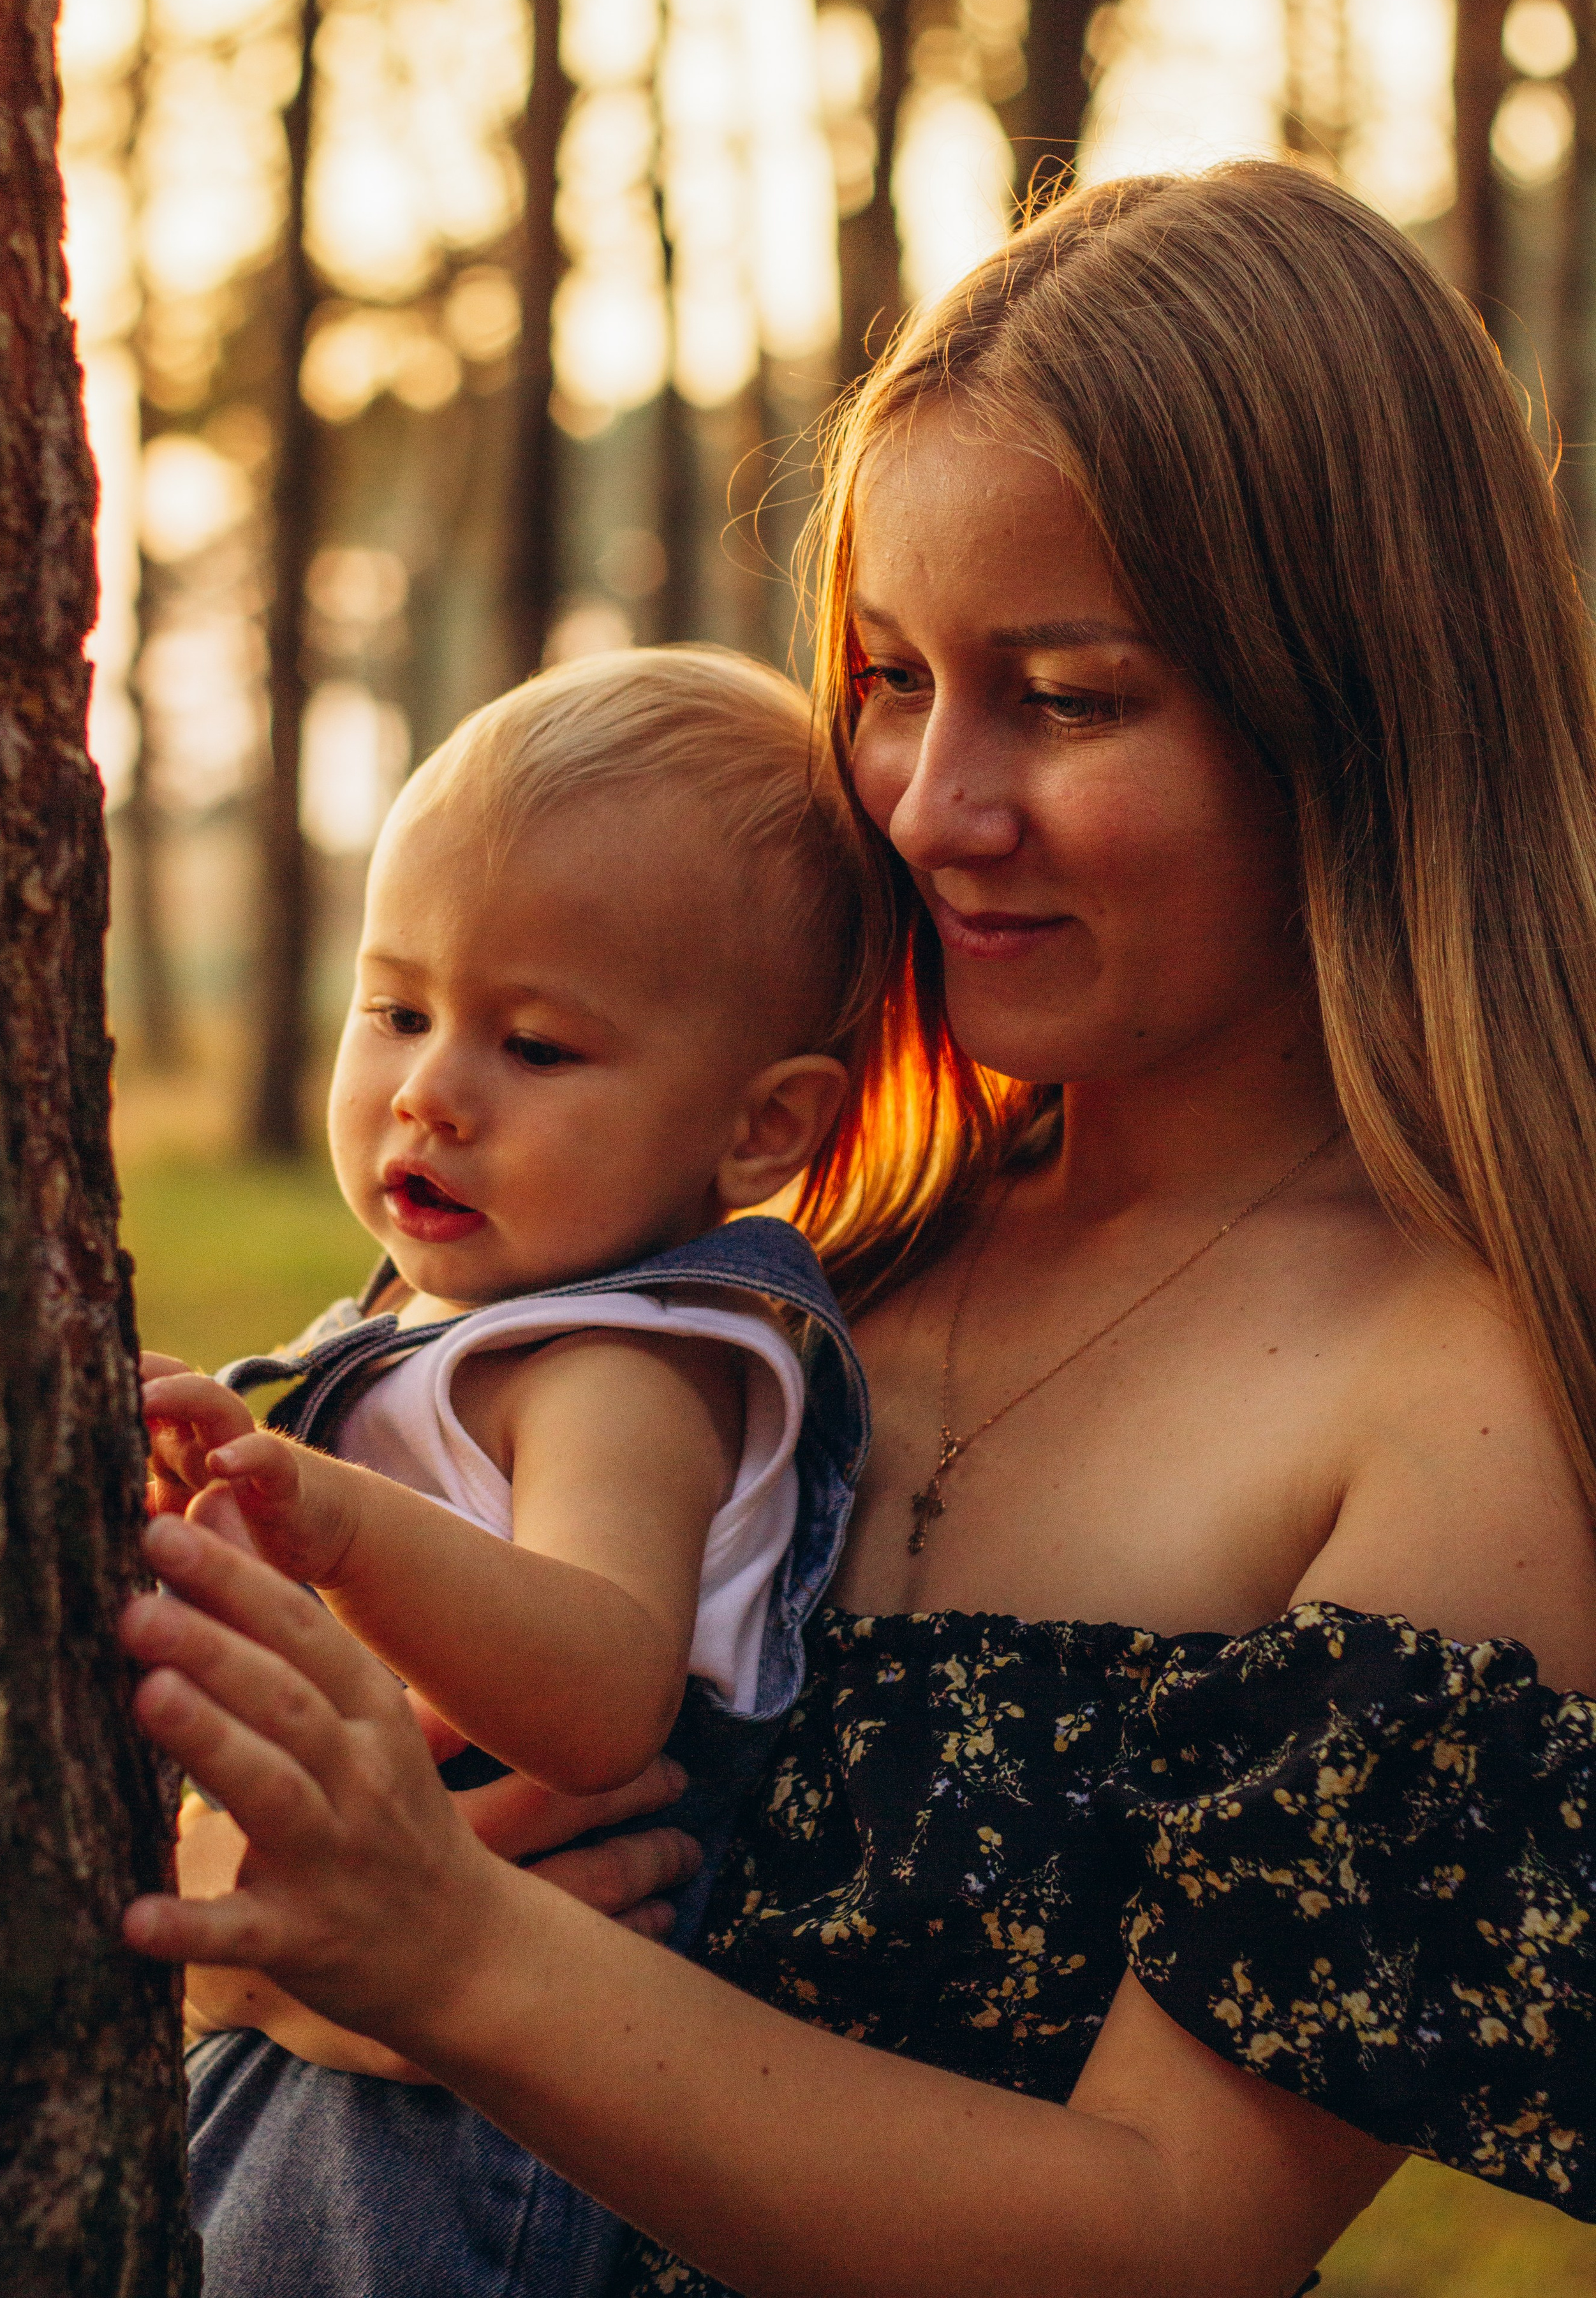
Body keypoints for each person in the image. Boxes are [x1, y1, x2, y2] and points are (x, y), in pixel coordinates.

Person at [124, 162, 1596, 2298]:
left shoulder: (1466, 1420)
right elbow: (312, 1832)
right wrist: (261, 1927)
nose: (929, 802)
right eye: (893, 676)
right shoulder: (772, 1227)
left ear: (1354, 712)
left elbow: (1171, 2239)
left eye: (1071, 697)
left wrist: (460, 1969)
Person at [144, 647, 875, 2298]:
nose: (428, 1090)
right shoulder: (460, 1322)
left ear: (763, 1129)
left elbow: (605, 1685)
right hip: (344, 2026)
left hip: (475, 2136)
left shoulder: (624, 1366)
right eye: (397, 1009)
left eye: (534, 1047)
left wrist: (325, 1512)